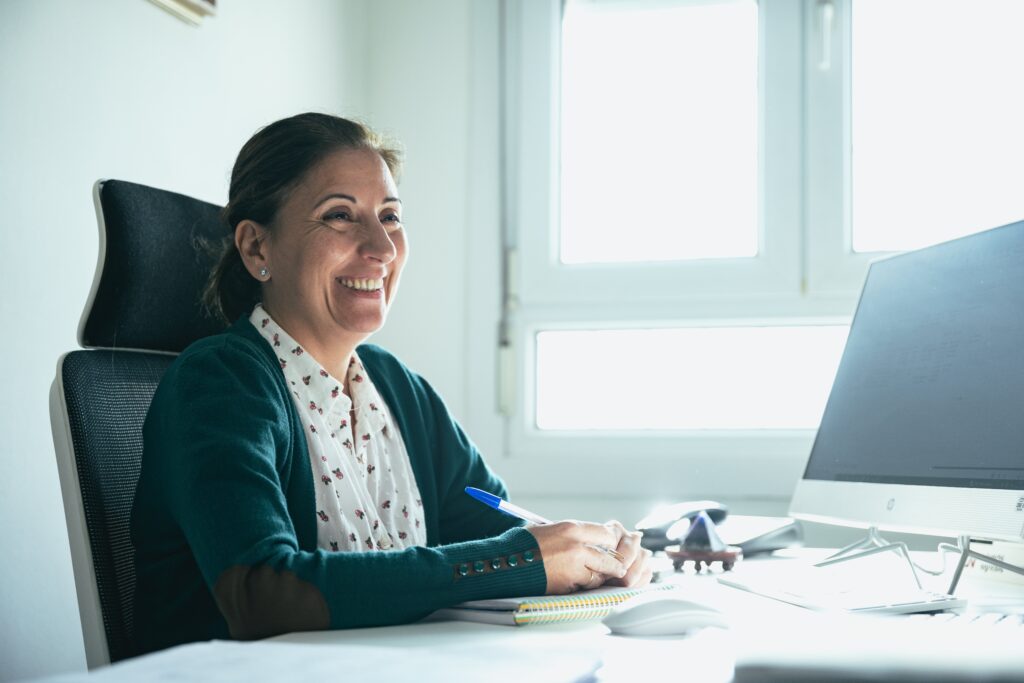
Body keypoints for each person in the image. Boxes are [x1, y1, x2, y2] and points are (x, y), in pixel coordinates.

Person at [130, 112, 651, 654]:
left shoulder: (400, 390)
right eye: (339, 216)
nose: (381, 247)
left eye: (390, 216)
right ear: (258, 248)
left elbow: (498, 530)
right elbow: (262, 596)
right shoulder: (219, 382)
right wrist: (518, 562)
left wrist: (585, 558)